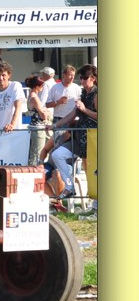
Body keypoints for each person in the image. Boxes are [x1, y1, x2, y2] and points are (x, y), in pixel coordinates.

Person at [48, 64, 97, 200]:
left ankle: (94, 200)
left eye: (85, 78)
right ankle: (70, 187)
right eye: (80, 78)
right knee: (57, 155)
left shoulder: (96, 94)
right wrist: (54, 125)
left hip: (92, 139)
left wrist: (84, 109)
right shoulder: (83, 93)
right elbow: (73, 113)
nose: (82, 81)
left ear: (93, 78)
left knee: (91, 169)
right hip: (79, 137)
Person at [24, 76, 52, 165]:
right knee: (37, 153)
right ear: (37, 86)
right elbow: (43, 115)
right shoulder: (34, 97)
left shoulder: (31, 96)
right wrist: (46, 112)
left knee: (38, 152)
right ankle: (33, 170)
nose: (42, 87)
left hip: (36, 127)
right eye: (41, 86)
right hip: (38, 128)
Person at [0, 62, 24, 133]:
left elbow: (18, 107)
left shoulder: (15, 85)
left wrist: (12, 124)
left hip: (12, 132)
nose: (1, 78)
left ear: (9, 75)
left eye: (3, 75)